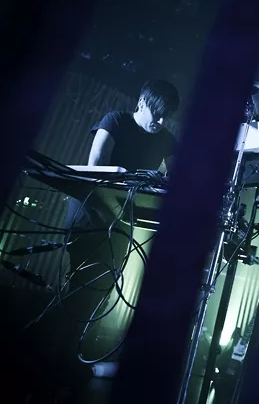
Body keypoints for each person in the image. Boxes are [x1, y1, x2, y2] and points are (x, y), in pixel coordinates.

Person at [58, 79, 180, 397]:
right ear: (141, 103)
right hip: (90, 216)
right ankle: (58, 362)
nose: (161, 121)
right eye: (157, 112)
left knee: (100, 289)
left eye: (167, 115)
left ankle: (69, 361)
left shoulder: (166, 139)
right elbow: (95, 166)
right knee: (79, 287)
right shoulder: (115, 120)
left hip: (121, 222)